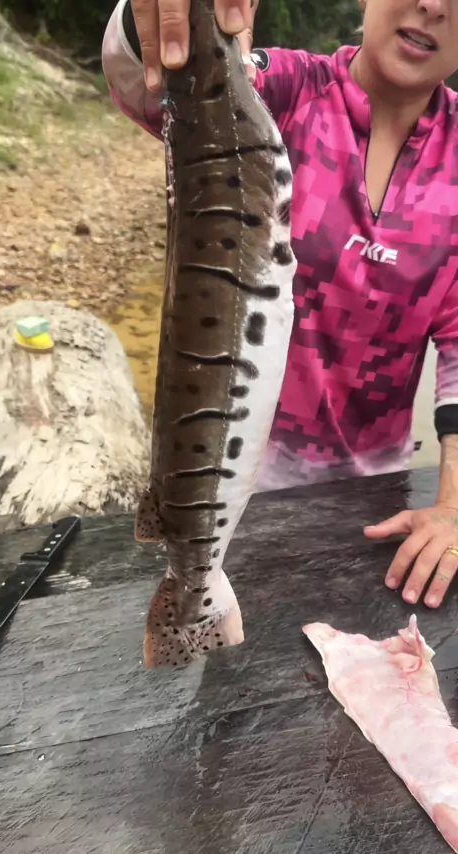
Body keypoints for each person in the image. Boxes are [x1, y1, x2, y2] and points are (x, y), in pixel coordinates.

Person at [102, 0, 458, 609]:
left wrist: (451, 507)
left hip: (376, 512)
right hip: (223, 506)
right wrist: (166, 18)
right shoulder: (280, 90)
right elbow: (148, 85)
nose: (433, 6)